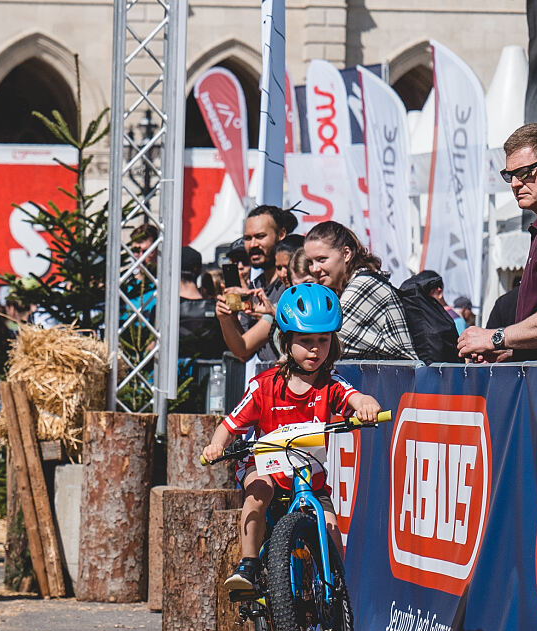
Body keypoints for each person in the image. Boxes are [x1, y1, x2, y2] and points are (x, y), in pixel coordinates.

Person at [202, 283, 382, 591]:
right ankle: (248, 565)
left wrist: (367, 406)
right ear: (286, 342)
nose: (315, 349)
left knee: (330, 528)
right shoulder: (264, 385)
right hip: (264, 463)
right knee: (259, 492)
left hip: (307, 473)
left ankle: (333, 589)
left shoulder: (332, 384)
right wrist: (218, 443)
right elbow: (230, 424)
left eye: (323, 340)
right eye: (305, 340)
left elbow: (359, 398)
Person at [459, 122, 537, 364]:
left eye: (526, 172)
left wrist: (495, 338)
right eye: (511, 175)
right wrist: (512, 351)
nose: (516, 184)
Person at [306, 221, 419, 361]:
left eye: (321, 259)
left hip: (400, 380)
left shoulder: (364, 284)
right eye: (310, 262)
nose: (314, 269)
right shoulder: (345, 287)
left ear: (346, 254)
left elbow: (330, 342)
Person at [178, 245, 226, 360]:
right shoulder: (218, 309)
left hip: (174, 375)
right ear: (200, 270)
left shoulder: (165, 309)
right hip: (211, 375)